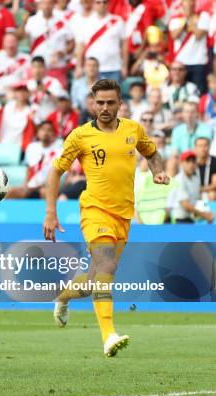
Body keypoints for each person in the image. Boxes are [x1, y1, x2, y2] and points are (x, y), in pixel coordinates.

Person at [43, 79, 169, 357]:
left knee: (93, 281)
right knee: (106, 266)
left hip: (123, 215)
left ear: (120, 104)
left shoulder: (133, 129)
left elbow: (152, 153)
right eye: (100, 102)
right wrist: (51, 212)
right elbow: (54, 172)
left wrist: (158, 171)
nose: (105, 108)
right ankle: (108, 335)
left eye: (110, 102)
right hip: (95, 210)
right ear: (92, 103)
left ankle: (63, 296)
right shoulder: (80, 136)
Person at [168, 150, 214, 223]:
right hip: (176, 220)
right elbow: (186, 205)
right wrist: (205, 215)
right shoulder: (179, 179)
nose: (191, 164)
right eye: (188, 161)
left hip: (190, 219)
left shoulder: (196, 179)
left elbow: (197, 200)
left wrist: (207, 213)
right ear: (182, 163)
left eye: (193, 161)